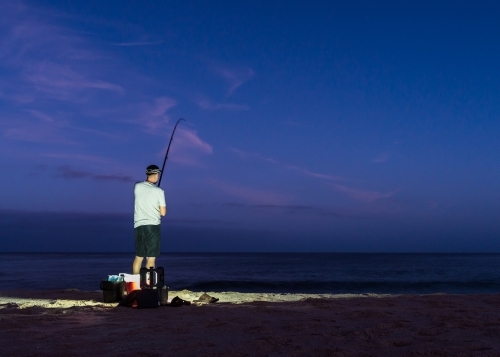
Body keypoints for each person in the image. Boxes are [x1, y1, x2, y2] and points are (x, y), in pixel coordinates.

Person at [132, 164, 167, 274]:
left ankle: (135, 285)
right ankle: (147, 286)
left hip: (138, 226)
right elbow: (163, 213)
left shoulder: (137, 186)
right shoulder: (159, 191)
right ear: (156, 174)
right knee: (150, 258)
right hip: (152, 226)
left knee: (138, 257)